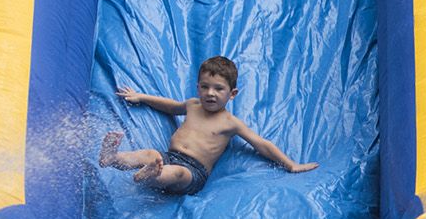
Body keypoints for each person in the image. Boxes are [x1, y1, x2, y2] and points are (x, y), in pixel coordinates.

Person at [98, 55, 318, 195]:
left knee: (177, 174)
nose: (210, 93)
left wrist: (290, 165)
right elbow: (171, 106)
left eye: (218, 89)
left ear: (232, 94)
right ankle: (113, 158)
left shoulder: (230, 123)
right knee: (149, 153)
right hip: (168, 156)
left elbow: (261, 144)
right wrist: (141, 97)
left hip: (193, 171)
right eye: (205, 87)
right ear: (198, 87)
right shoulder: (193, 105)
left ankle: (153, 176)